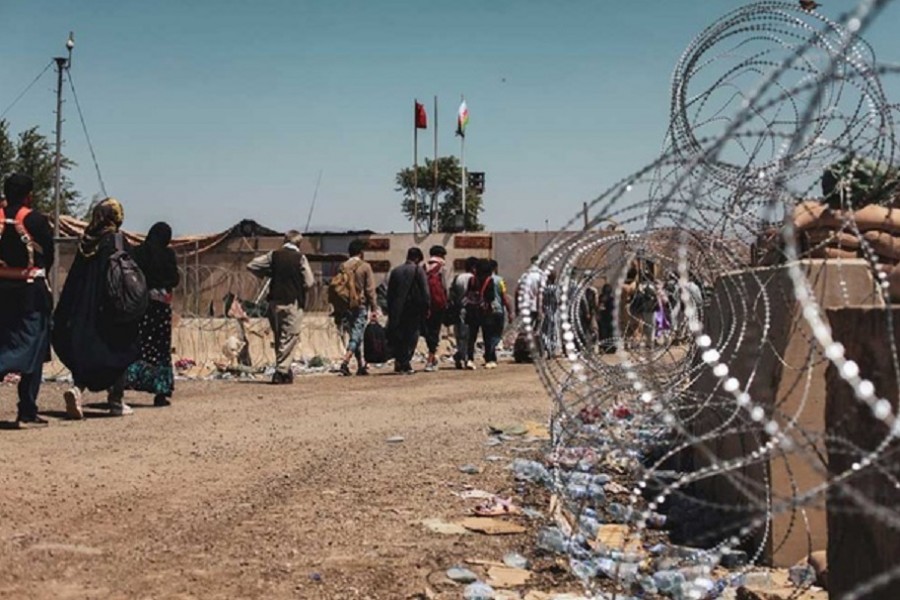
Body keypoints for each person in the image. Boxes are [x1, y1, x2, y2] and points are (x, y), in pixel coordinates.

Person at [53, 198, 141, 418]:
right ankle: (116, 401)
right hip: (110, 307)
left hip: (84, 308)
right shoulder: (116, 240)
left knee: (89, 351)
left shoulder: (87, 242)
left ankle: (77, 390)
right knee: (121, 348)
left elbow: (75, 278)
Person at [0, 174, 55, 428]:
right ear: (28, 195)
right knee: (32, 347)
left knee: (5, 341)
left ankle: (29, 409)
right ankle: (27, 409)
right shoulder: (35, 220)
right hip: (30, 292)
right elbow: (50, 254)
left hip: (2, 290)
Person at [247, 230, 314, 384]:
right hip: (292, 302)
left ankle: (285, 371)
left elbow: (252, 265)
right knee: (290, 336)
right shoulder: (300, 258)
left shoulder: (274, 255)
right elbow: (309, 282)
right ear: (299, 243)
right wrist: (298, 284)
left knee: (280, 337)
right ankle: (280, 371)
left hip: (274, 301)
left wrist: (270, 272)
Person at [124, 222, 180, 406]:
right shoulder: (168, 254)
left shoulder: (138, 252)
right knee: (161, 349)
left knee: (137, 344)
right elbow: (175, 279)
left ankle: (126, 384)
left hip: (142, 306)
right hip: (161, 307)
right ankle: (161, 392)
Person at [337, 239, 378, 377]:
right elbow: (370, 289)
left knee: (355, 334)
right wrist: (374, 307)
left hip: (345, 305)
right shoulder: (365, 267)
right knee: (357, 333)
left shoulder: (343, 266)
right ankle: (345, 361)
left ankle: (361, 365)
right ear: (361, 253)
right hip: (360, 304)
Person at [386, 247, 429, 374]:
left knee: (400, 335)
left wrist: (390, 309)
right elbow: (425, 292)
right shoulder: (418, 270)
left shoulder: (395, 271)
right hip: (413, 309)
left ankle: (399, 361)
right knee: (412, 335)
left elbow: (390, 293)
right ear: (417, 258)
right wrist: (427, 307)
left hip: (397, 310)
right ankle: (406, 362)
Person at [464, 259, 507, 369]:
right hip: (485, 312)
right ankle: (489, 359)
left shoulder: (472, 280)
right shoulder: (489, 280)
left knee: (472, 337)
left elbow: (468, 294)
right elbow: (491, 297)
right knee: (487, 336)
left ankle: (469, 359)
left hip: (472, 312)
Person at [422, 245, 449, 372]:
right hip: (438, 304)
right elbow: (444, 285)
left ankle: (431, 356)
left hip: (426, 304)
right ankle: (431, 358)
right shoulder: (442, 266)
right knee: (435, 330)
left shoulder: (424, 266)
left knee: (428, 331)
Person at [449, 256, 478, 369]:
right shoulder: (474, 279)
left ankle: (460, 356)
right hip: (471, 310)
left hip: (458, 309)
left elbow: (452, 295)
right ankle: (464, 357)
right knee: (470, 336)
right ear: (474, 268)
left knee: (460, 335)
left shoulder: (458, 278)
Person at [597, 283, 617, 354]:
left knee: (608, 333)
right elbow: (600, 307)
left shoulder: (611, 298)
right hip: (605, 318)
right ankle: (604, 347)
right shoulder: (602, 297)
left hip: (608, 317)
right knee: (604, 333)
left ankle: (609, 348)